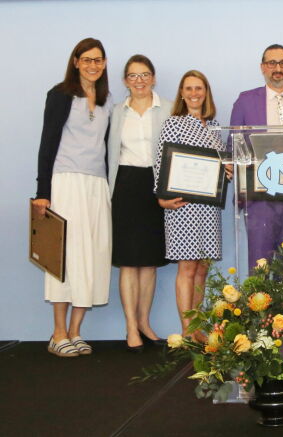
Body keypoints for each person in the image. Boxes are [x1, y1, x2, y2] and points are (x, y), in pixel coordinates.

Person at [34, 37, 112, 357]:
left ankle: (76, 332)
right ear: (76, 62)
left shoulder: (106, 100)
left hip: (97, 185)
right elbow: (47, 142)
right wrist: (43, 193)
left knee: (93, 255)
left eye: (99, 60)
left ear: (104, 64)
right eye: (87, 59)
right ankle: (57, 333)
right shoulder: (61, 95)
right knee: (64, 257)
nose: (93, 65)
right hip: (66, 182)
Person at [230, 44, 283, 265]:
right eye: (272, 63)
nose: (277, 68)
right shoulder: (245, 101)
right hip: (260, 197)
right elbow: (234, 145)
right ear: (262, 67)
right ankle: (257, 302)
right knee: (259, 268)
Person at [154, 70, 226, 338]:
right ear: (182, 94)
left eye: (199, 88)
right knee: (187, 267)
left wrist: (227, 170)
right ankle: (186, 330)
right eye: (189, 89)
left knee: (202, 267)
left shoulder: (216, 126)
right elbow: (162, 162)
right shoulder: (173, 123)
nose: (194, 93)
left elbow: (220, 163)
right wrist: (161, 197)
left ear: (206, 92)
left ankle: (198, 327)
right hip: (181, 205)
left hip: (208, 207)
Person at [107, 55, 172, 352]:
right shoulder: (116, 112)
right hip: (126, 186)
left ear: (154, 77)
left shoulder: (170, 108)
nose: (140, 81)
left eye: (145, 74)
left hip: (157, 186)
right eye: (133, 76)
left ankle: (145, 323)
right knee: (128, 264)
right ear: (124, 81)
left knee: (150, 263)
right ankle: (130, 326)